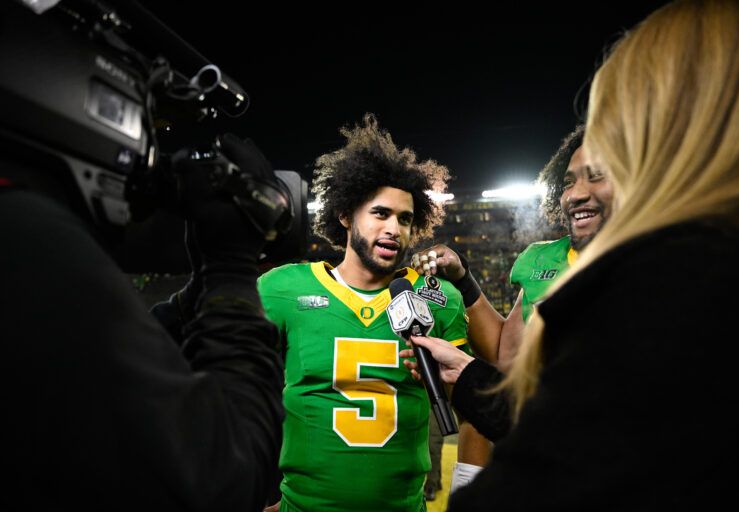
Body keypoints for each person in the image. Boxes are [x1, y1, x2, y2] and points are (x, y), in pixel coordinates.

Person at [404, 0, 739, 508]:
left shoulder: (678, 286)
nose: (576, 194)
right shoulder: (555, 263)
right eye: (570, 180)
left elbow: (570, 460)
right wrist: (467, 373)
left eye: (602, 166)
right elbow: (526, 377)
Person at [1, 129, 287, 508]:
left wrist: (199, 290)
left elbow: (119, 359)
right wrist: (231, 267)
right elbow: (224, 477)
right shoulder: (26, 233)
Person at [257, 114, 470, 511]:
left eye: (405, 219)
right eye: (380, 213)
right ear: (344, 215)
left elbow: (470, 400)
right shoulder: (282, 289)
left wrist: (439, 384)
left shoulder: (438, 295)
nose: (395, 229)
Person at [412, 124, 613, 367]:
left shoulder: (662, 261)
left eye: (597, 175)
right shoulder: (541, 259)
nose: (575, 194)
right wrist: (462, 279)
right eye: (568, 182)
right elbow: (503, 355)